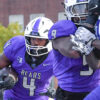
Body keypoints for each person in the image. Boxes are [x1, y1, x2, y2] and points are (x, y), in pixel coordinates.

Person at [47, 0, 100, 100]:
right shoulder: (63, 27)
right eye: (79, 9)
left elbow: (96, 64)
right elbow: (73, 51)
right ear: (68, 10)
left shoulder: (98, 28)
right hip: (69, 93)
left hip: (95, 91)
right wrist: (91, 39)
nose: (85, 13)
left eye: (88, 9)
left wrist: (91, 41)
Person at [0, 17, 55, 100]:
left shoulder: (55, 56)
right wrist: (8, 74)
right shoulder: (17, 45)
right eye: (33, 38)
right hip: (12, 97)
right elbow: (2, 64)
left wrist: (57, 90)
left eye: (40, 39)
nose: (36, 42)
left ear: (49, 40)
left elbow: (64, 78)